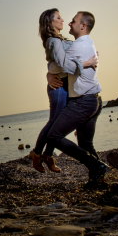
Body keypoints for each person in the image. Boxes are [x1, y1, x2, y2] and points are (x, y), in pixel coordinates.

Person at [29, 9, 98, 173]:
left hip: (64, 85)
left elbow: (58, 61)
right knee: (54, 123)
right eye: (58, 18)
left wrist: (49, 71)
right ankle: (37, 153)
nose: (63, 20)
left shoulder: (61, 40)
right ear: (50, 22)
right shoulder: (53, 41)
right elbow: (62, 64)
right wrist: (85, 64)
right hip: (58, 86)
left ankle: (47, 154)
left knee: (56, 124)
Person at [45, 11, 109, 187]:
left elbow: (57, 66)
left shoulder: (76, 47)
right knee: (86, 144)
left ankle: (96, 165)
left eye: (73, 21)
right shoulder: (88, 44)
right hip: (95, 100)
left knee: (54, 136)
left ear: (83, 26)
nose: (69, 23)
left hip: (83, 102)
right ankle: (98, 179)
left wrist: (49, 75)